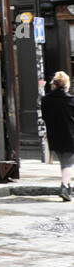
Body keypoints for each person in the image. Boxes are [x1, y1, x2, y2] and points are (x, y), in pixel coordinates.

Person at [40, 71, 74, 201]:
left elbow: (44, 117)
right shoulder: (71, 100)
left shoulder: (46, 100)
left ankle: (68, 186)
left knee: (65, 162)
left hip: (54, 135)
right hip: (70, 136)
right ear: (66, 84)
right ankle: (65, 187)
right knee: (68, 163)